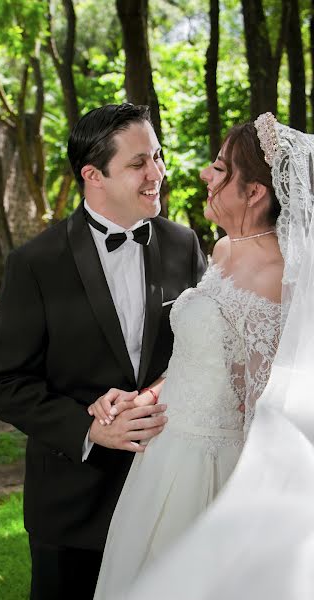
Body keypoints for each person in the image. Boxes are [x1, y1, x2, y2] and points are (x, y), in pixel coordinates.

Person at [0, 102, 205, 599]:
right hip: (71, 507)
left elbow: (204, 353)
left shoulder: (183, 245)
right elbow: (3, 383)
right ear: (92, 175)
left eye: (158, 156)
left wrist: (150, 395)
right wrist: (89, 429)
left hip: (167, 492)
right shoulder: (35, 263)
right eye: (138, 163)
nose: (157, 173)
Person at [92, 114, 284, 599]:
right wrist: (140, 399)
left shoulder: (276, 274)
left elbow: (261, 404)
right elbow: (199, 359)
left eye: (220, 169)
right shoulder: (221, 250)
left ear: (255, 191)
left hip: (212, 466)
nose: (204, 173)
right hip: (163, 454)